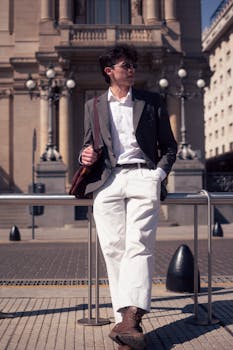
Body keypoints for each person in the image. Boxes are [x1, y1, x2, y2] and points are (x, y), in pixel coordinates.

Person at [80, 44, 177, 350]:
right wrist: (84, 155)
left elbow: (170, 147)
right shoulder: (93, 105)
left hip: (142, 176)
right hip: (108, 181)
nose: (132, 69)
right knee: (113, 249)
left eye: (133, 65)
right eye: (126, 65)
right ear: (110, 72)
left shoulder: (151, 101)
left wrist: (156, 176)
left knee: (140, 245)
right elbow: (89, 145)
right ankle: (125, 319)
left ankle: (131, 319)